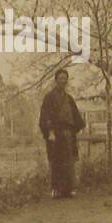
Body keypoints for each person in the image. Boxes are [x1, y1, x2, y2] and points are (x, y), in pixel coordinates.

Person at [38, 68, 84, 197]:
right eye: (60, 79)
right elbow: (45, 116)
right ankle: (56, 189)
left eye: (65, 79)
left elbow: (75, 116)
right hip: (55, 133)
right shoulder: (49, 97)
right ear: (56, 80)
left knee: (68, 161)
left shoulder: (69, 98)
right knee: (56, 161)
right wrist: (50, 131)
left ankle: (68, 189)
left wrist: (76, 127)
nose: (63, 81)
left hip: (68, 133)